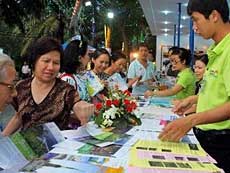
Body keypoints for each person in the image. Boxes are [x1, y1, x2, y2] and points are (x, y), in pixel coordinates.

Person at [159, 0, 230, 171]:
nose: (194, 27)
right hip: (206, 136)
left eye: (196, 20)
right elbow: (220, 91)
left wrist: (191, 120)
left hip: (221, 142)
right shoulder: (216, 49)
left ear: (214, 16)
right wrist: (193, 99)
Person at [2, 37, 94, 136]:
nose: (50, 67)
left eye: (56, 63)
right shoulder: (21, 87)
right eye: (46, 61)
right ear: (35, 61)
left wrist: (83, 108)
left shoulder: (66, 90)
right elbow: (19, 116)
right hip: (29, 148)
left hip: (57, 148)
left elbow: (77, 104)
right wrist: (3, 137)